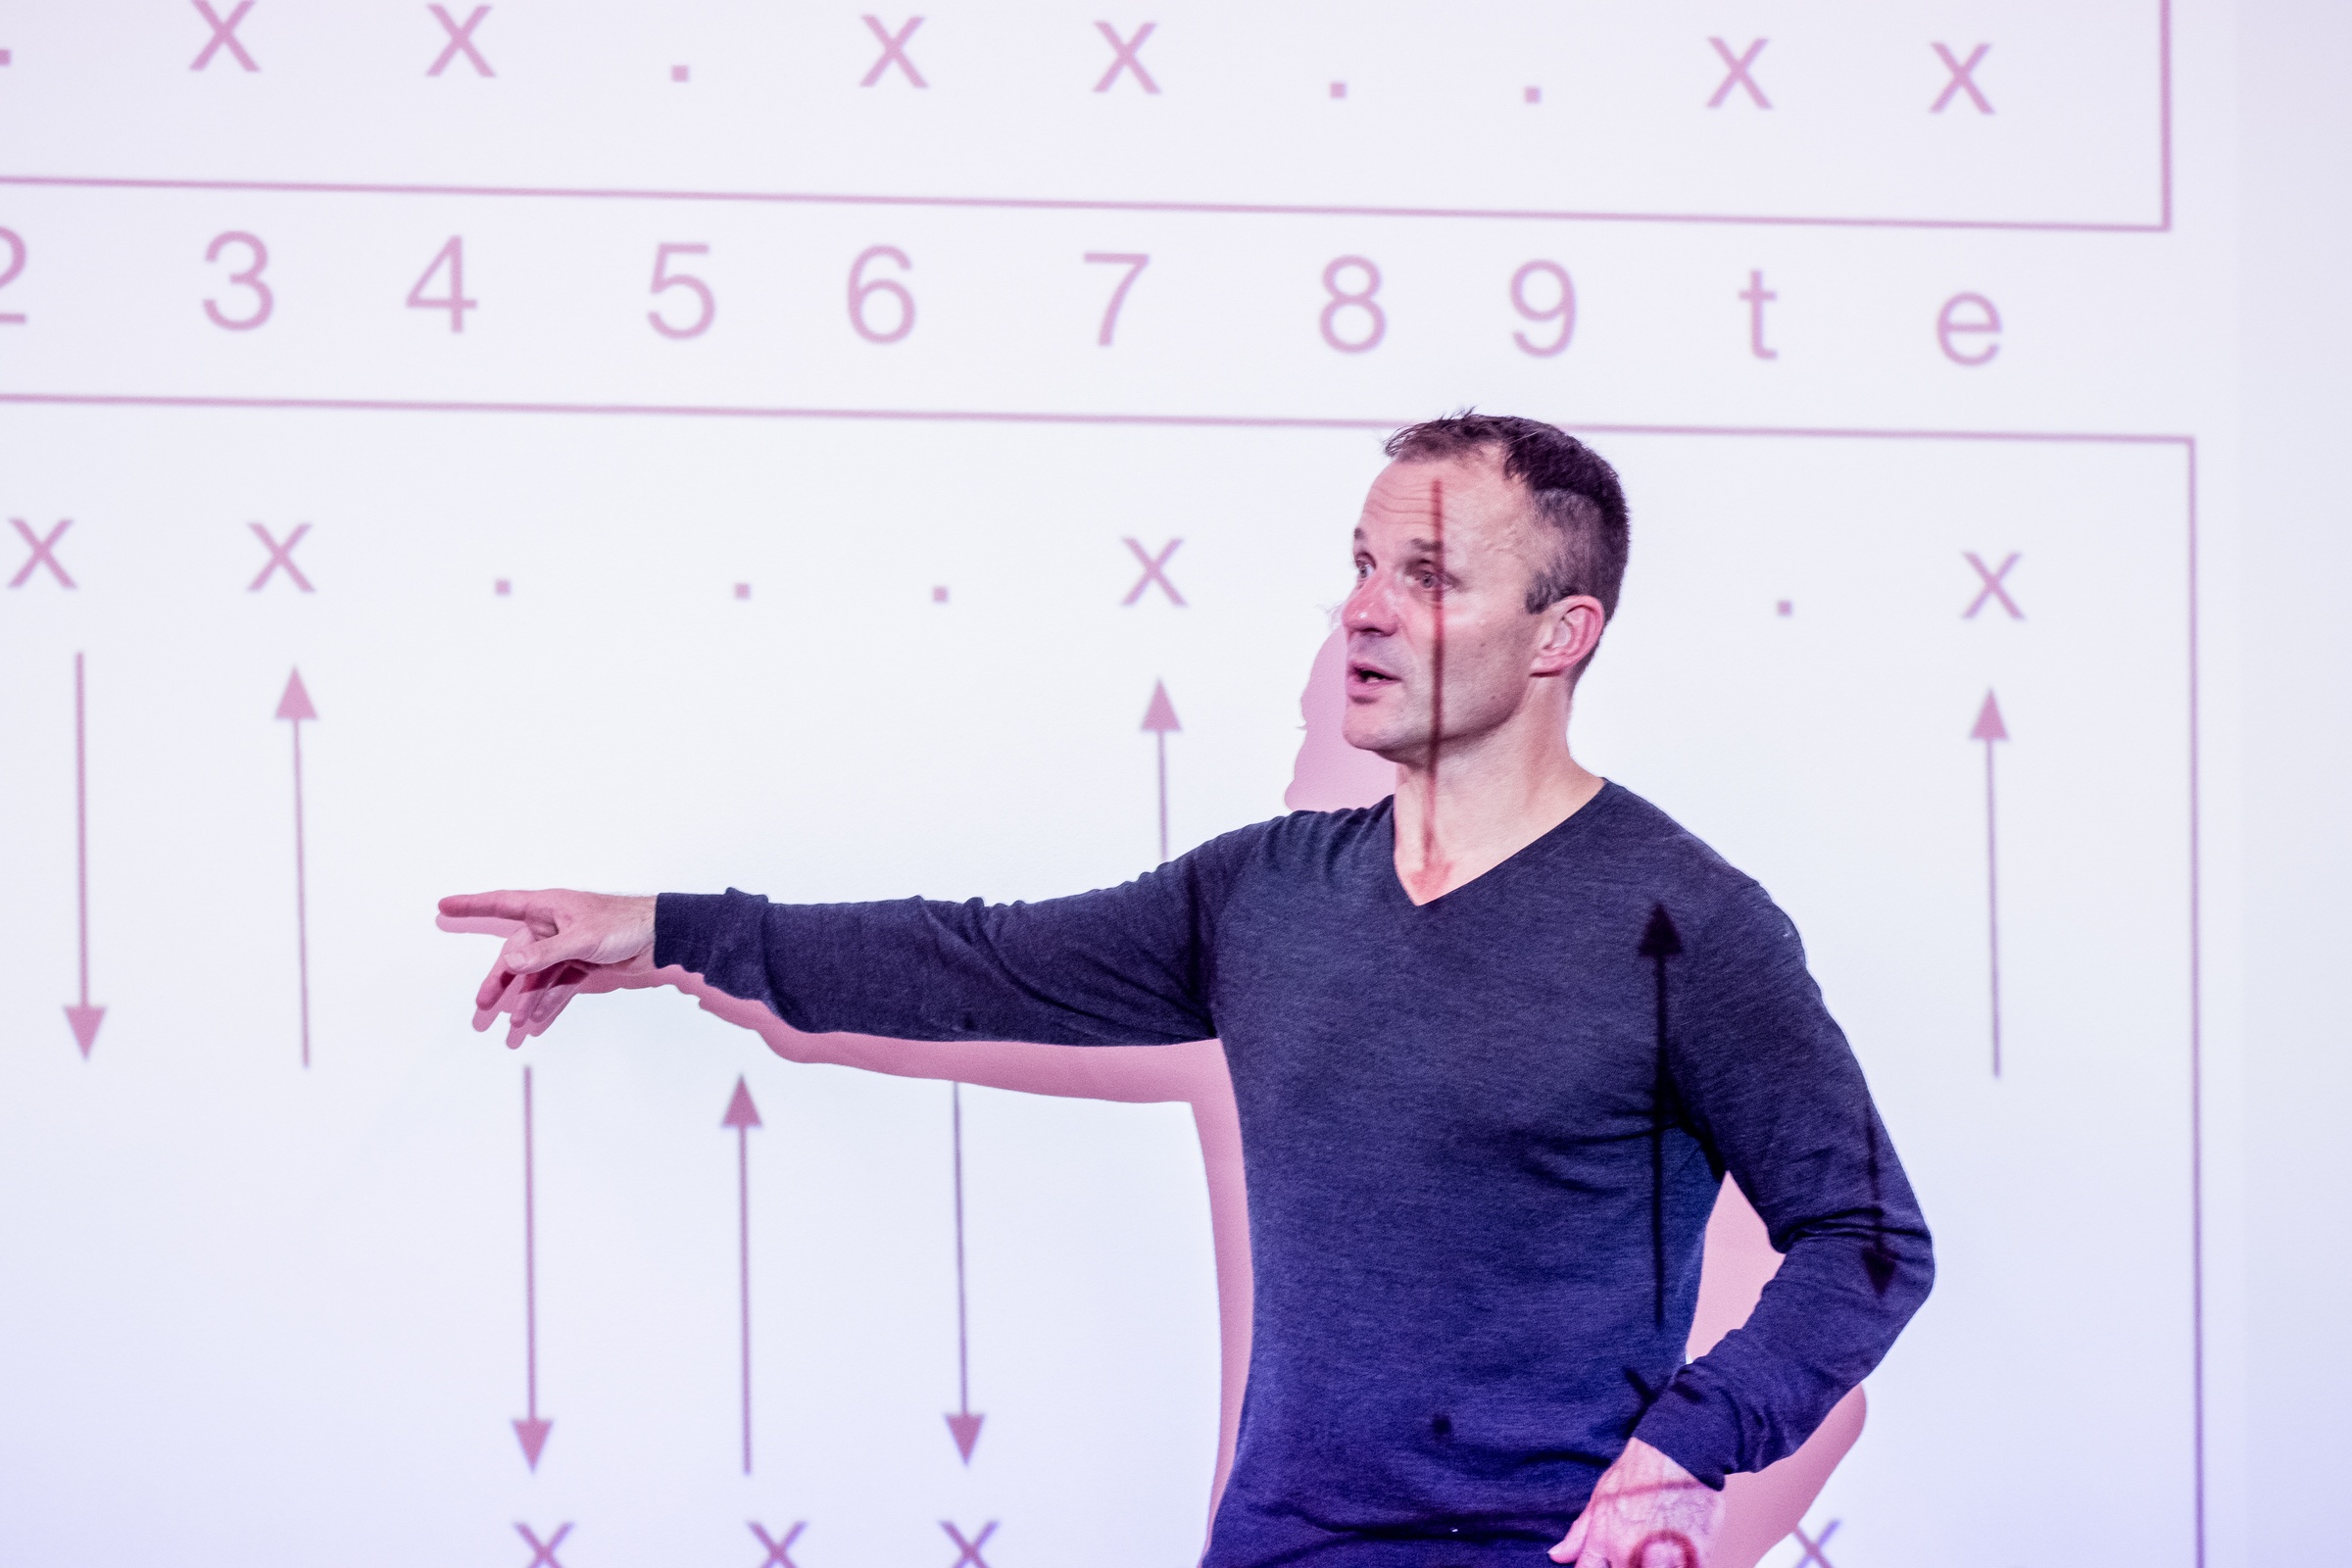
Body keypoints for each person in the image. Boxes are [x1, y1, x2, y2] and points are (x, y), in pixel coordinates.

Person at [442, 415, 1934, 1568]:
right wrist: (664, 925)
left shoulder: (1693, 924)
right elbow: (977, 958)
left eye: (1427, 577)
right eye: (1359, 565)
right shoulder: (1266, 894)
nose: (1363, 611)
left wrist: (1690, 1445)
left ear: (1562, 634)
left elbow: (1868, 1238)